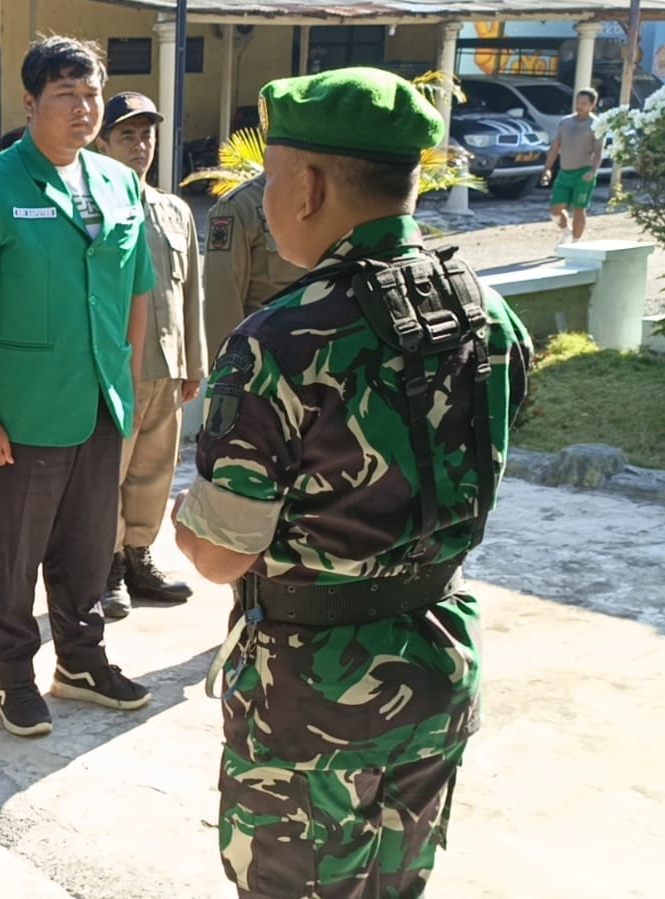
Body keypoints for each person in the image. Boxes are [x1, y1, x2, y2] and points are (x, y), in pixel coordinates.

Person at [170, 68, 533, 897]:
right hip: (440, 656)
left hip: (315, 693)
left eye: (271, 176)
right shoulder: (488, 311)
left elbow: (222, 554)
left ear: (307, 186)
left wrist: (186, 522)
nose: (263, 198)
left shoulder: (283, 339)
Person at [0, 36, 156, 738]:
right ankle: (12, 674)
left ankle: (81, 661)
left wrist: (126, 379)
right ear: (30, 103)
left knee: (91, 543)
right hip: (22, 408)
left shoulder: (118, 182)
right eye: (65, 94)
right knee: (13, 550)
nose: (82, 108)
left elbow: (138, 292)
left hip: (99, 399)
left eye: (90, 94)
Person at [93, 92, 205, 621]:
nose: (140, 146)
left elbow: (192, 295)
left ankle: (140, 558)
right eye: (127, 135)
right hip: (116, 372)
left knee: (156, 471)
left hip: (168, 368)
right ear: (103, 143)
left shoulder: (174, 210)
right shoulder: (92, 212)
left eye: (147, 135)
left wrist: (195, 364)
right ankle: (106, 568)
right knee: (108, 475)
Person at [202, 174, 307, 356]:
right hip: (266, 362)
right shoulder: (240, 207)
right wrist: (228, 371)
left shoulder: (326, 199)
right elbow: (223, 304)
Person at [542, 88, 603, 244]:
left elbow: (598, 151)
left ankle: (576, 242)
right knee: (556, 208)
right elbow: (555, 148)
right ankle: (566, 232)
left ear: (592, 104)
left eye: (584, 103)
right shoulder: (565, 122)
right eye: (578, 102)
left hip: (584, 173)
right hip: (564, 172)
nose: (579, 106)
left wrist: (593, 171)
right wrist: (547, 169)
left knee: (579, 209)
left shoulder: (596, 125)